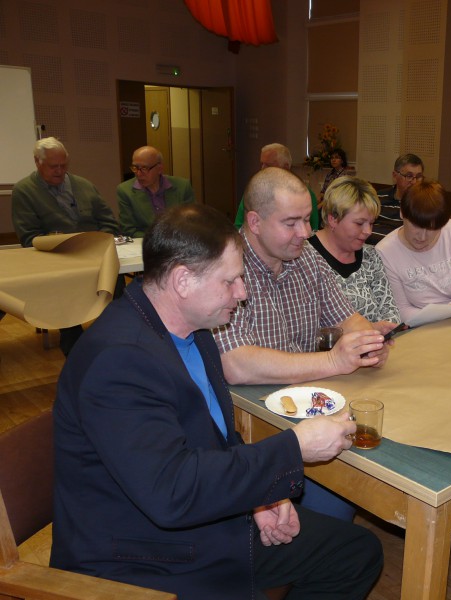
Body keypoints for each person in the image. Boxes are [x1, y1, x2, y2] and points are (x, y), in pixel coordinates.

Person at [50, 203, 383, 599]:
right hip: (143, 556)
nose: (242, 293)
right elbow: (172, 492)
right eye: (230, 281)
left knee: (355, 552)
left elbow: (215, 440)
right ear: (182, 280)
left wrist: (263, 498)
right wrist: (294, 447)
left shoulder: (194, 332)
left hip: (196, 516)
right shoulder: (119, 360)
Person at [216, 167, 394, 521]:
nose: (306, 232)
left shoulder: (304, 257)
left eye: (307, 220)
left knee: (367, 463)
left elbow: (348, 318)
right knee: (340, 503)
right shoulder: (223, 267)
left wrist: (368, 342)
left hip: (311, 406)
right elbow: (235, 365)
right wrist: (333, 361)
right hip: (250, 427)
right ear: (254, 222)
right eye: (291, 222)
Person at [11, 137, 120, 356]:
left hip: (95, 254)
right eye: (54, 166)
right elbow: (29, 237)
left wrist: (100, 241)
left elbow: (109, 222)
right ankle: (74, 342)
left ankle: (116, 335)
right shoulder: (24, 191)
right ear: (37, 162)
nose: (60, 171)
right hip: (57, 260)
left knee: (116, 280)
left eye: (63, 165)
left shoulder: (84, 185)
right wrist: (63, 245)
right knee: (66, 286)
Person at [376, 180, 451, 322]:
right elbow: (401, 309)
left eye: (432, 229)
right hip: (420, 324)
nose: (422, 237)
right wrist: (440, 319)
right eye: (416, 226)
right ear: (402, 213)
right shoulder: (385, 252)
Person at [310, 176, 401, 324]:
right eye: (359, 223)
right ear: (333, 219)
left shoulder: (370, 255)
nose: (368, 231)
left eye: (371, 223)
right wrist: (369, 331)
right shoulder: (304, 257)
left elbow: (390, 310)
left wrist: (386, 329)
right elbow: (306, 327)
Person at [233, 143, 320, 231]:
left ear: (285, 167)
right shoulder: (254, 191)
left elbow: (313, 231)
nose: (262, 169)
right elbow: (238, 226)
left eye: (268, 165)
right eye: (262, 164)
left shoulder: (304, 194)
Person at [116, 145, 195, 237]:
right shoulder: (125, 191)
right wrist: (157, 240)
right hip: (145, 242)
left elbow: (192, 223)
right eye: (135, 168)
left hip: (179, 240)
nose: (138, 174)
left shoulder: (183, 186)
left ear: (159, 168)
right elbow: (128, 230)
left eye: (144, 168)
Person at [369, 153, 425, 243]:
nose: (414, 182)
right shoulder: (377, 198)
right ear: (395, 175)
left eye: (418, 177)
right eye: (409, 176)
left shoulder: (425, 205)